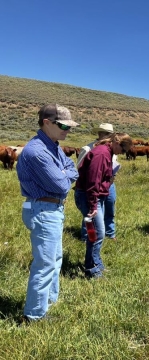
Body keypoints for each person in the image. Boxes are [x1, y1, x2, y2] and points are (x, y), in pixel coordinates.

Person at [16, 103, 79, 321]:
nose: (67, 130)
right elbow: (62, 185)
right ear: (46, 122)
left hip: (50, 208)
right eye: (62, 125)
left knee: (54, 259)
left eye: (70, 126)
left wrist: (65, 173)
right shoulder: (37, 151)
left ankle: (48, 301)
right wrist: (66, 174)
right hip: (43, 209)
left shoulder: (52, 145)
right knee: (44, 264)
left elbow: (72, 169)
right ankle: (34, 315)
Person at [74, 133, 132, 278]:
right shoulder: (102, 154)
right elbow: (93, 181)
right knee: (97, 233)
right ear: (117, 143)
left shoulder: (107, 152)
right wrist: (93, 205)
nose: (123, 153)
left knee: (95, 233)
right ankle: (92, 269)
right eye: (123, 150)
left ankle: (94, 263)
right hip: (90, 197)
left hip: (94, 197)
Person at [77, 123, 119, 241]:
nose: (109, 136)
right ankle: (86, 236)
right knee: (91, 210)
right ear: (100, 134)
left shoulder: (111, 148)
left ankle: (110, 233)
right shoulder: (88, 148)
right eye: (107, 134)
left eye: (111, 134)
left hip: (109, 184)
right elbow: (79, 167)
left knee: (110, 208)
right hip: (92, 185)